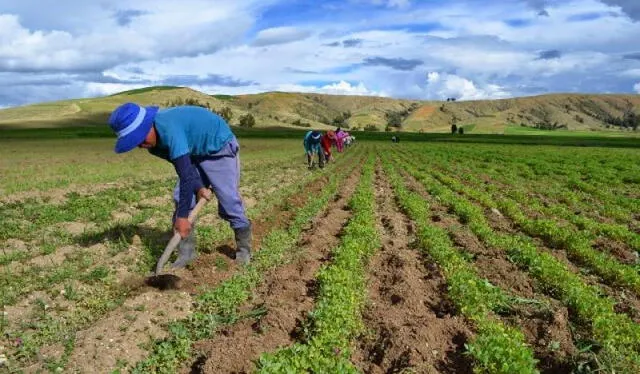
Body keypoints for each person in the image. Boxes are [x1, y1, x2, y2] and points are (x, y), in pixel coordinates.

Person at [108, 103, 252, 267]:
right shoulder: (153, 146)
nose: (141, 145)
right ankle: (186, 255)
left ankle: (244, 251)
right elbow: (186, 169)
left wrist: (183, 219)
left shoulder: (169, 130)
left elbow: (185, 177)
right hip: (193, 152)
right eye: (136, 143)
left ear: (149, 125)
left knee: (228, 202)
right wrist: (199, 187)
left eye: (140, 138)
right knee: (181, 199)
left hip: (218, 147)